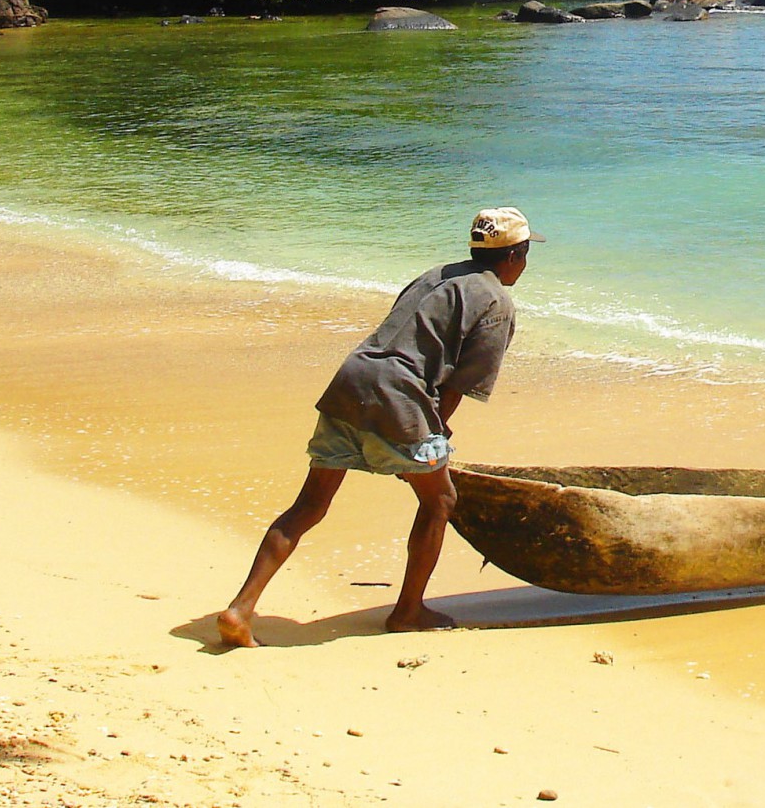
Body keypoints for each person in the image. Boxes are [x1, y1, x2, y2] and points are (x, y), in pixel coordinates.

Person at [215, 207, 541, 647]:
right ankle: (407, 612)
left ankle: (240, 609)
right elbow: (461, 383)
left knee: (310, 504)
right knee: (440, 500)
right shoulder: (496, 302)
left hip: (352, 379)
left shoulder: (437, 275)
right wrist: (435, 432)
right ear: (514, 256)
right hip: (399, 394)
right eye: (524, 255)